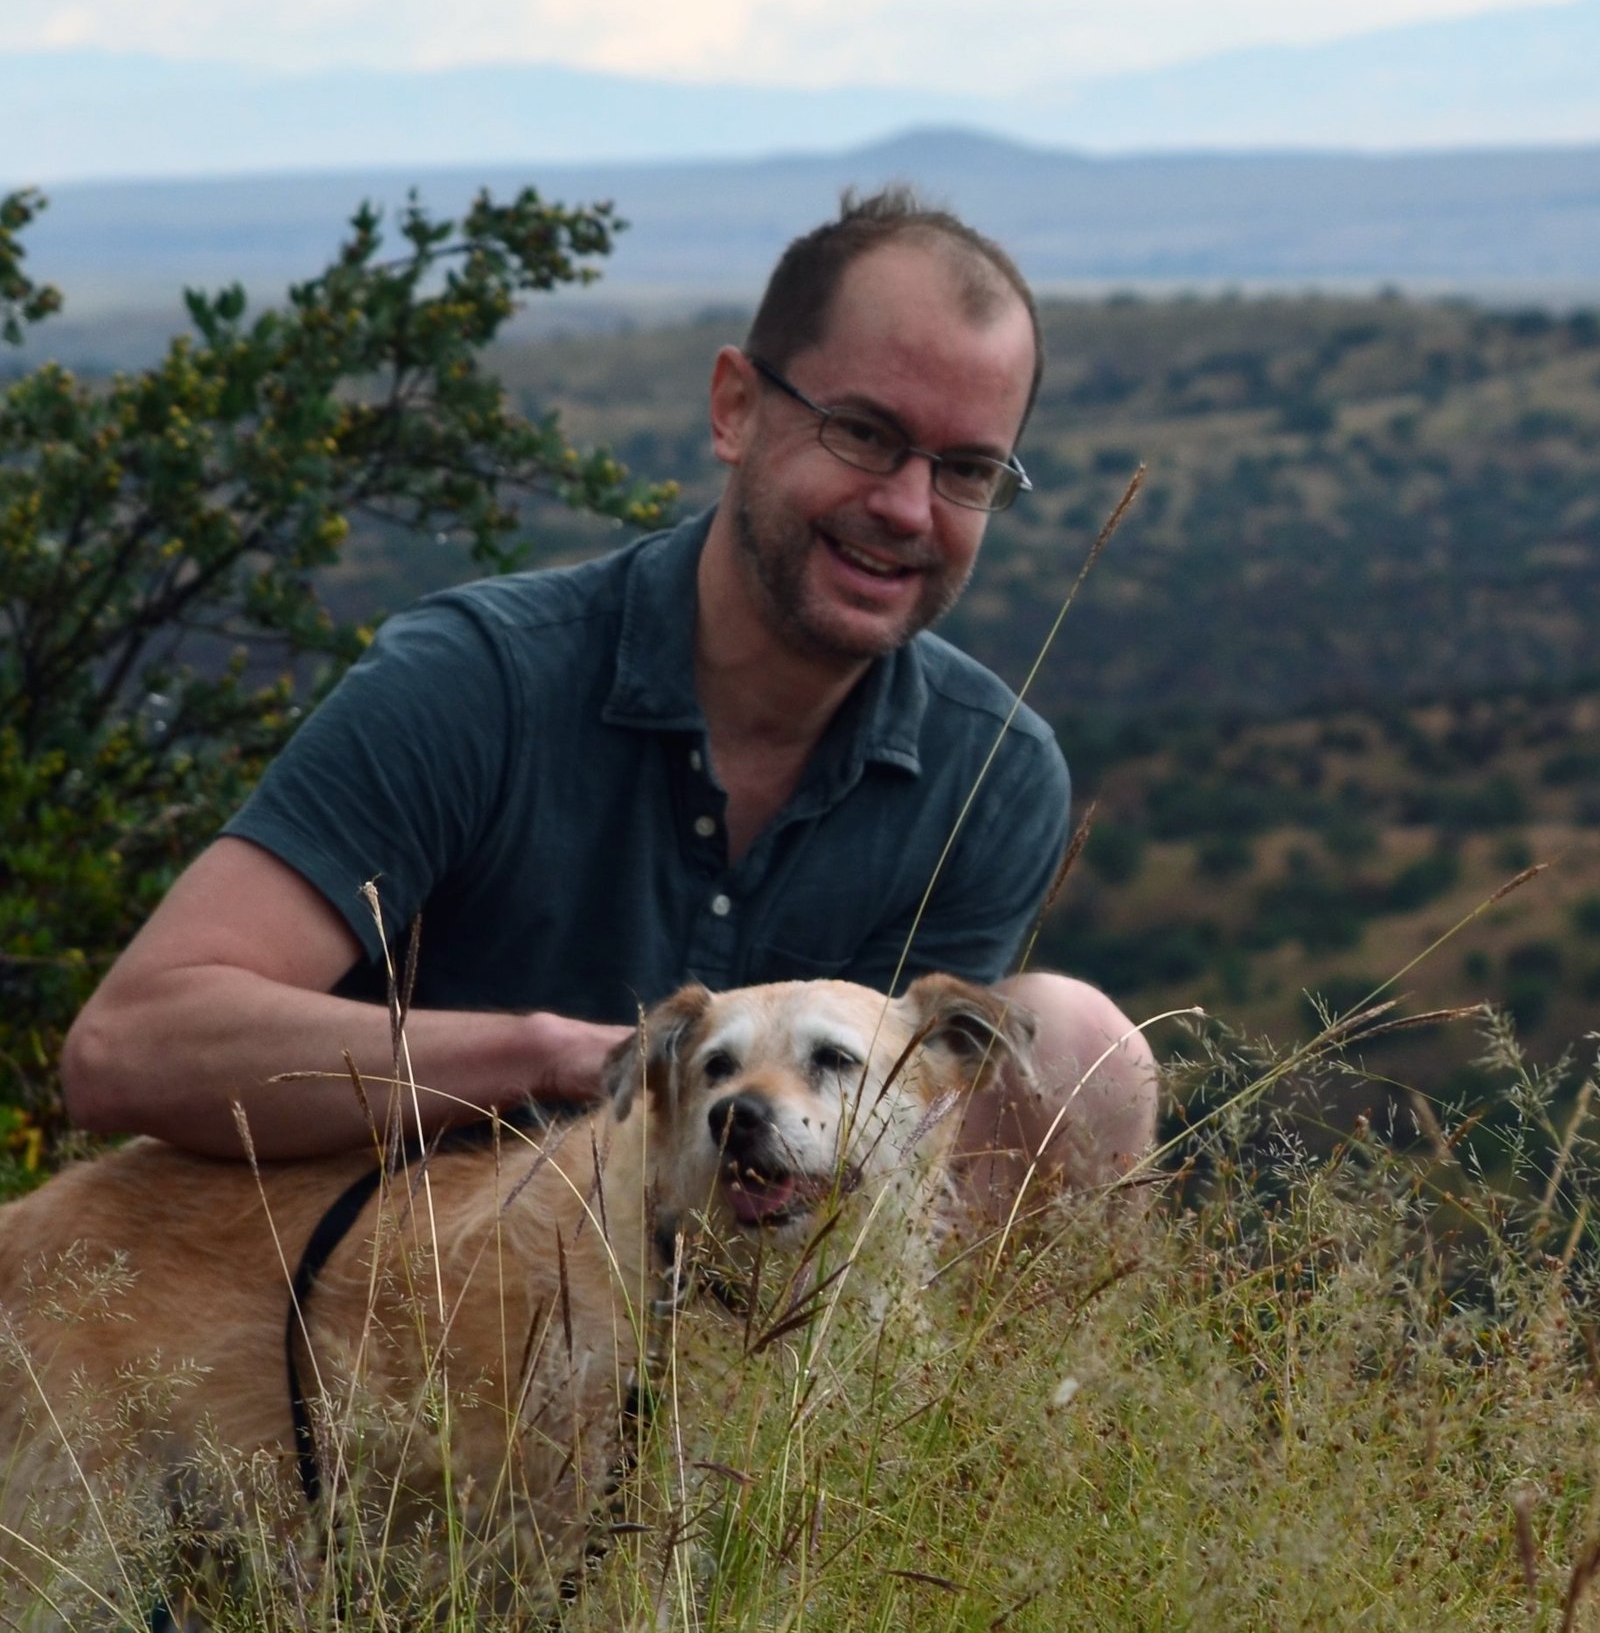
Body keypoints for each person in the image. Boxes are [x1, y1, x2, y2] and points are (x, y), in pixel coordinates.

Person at [61, 190, 1157, 1218]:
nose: (908, 506)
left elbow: (889, 1167)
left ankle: (955, 1428)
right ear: (735, 407)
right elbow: (131, 1045)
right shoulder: (475, 680)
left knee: (1076, 1048)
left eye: (966, 469)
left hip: (727, 1334)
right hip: (392, 1314)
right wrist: (552, 1056)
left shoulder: (991, 778)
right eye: (863, 432)